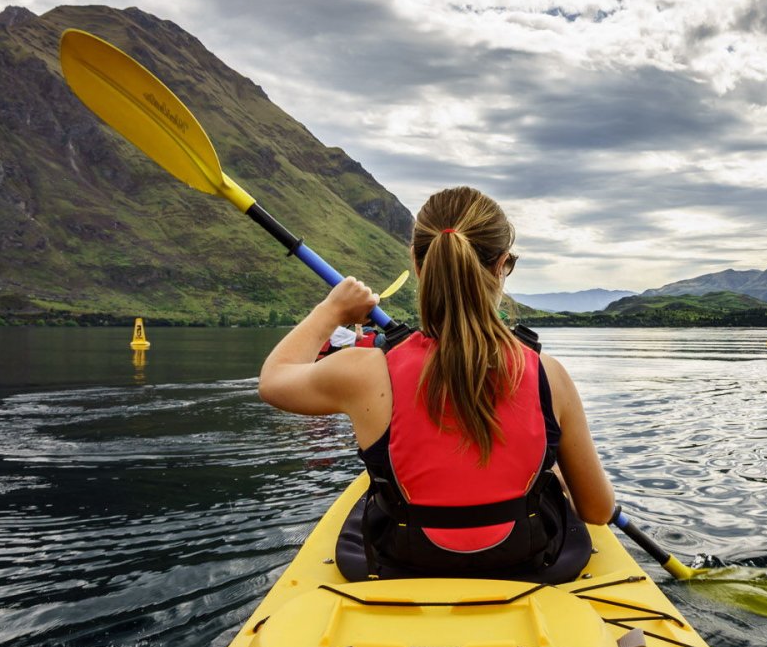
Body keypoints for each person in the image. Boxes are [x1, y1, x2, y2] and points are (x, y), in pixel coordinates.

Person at [258, 186, 615, 582]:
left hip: (401, 565)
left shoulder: (364, 371)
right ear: (502, 266)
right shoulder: (549, 374)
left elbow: (274, 380)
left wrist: (332, 310)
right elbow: (597, 510)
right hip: (527, 564)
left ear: (416, 261)